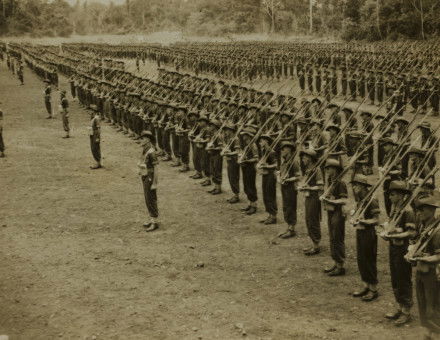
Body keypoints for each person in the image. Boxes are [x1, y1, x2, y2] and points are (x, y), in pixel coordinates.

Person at [379, 180, 416, 326]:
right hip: (393, 247)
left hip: (403, 249)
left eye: (392, 194)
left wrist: (394, 235)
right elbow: (392, 224)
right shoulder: (395, 208)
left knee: (403, 279)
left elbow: (412, 233)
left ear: (400, 195)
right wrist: (385, 228)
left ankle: (406, 311)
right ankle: (399, 306)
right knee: (395, 277)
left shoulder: (408, 211)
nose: (389, 197)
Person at [410, 194, 440, 340]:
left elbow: (439, 256)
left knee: (432, 306)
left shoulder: (437, 231)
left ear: (432, 210)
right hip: (421, 271)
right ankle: (428, 330)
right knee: (422, 302)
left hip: (432, 274)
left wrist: (423, 258)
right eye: (418, 209)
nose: (419, 212)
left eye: (423, 209)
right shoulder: (423, 227)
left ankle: (437, 333)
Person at [350, 174, 380, 302]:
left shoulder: (371, 200)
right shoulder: (361, 199)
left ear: (362, 186)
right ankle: (366, 285)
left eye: (356, 185)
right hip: (360, 232)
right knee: (361, 259)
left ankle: (373, 289)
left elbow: (376, 220)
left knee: (368, 260)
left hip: (368, 233)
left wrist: (364, 221)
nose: (354, 187)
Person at [321, 158, 348, 276]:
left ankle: (340, 265)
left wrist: (331, 201)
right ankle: (336, 262)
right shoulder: (330, 180)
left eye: (330, 168)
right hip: (330, 211)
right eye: (326, 168)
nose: (327, 170)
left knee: (337, 237)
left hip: (338, 212)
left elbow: (344, 200)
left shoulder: (341, 183)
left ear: (336, 169)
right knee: (332, 237)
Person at [277, 141, 301, 238]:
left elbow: (298, 176)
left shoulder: (294, 162)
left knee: (290, 207)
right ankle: (288, 226)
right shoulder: (284, 161)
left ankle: (292, 229)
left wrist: (288, 179)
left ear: (289, 150)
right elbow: (280, 173)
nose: (282, 151)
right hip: (284, 187)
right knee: (285, 207)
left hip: (291, 188)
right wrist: (280, 178)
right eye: (282, 149)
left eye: (284, 148)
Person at [138, 130, 160, 232]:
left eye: (142, 138)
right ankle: (152, 219)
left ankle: (154, 221)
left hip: (150, 177)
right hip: (145, 175)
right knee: (147, 198)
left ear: (147, 139)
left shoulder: (151, 151)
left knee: (151, 198)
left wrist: (155, 183)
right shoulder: (145, 149)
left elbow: (155, 168)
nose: (141, 140)